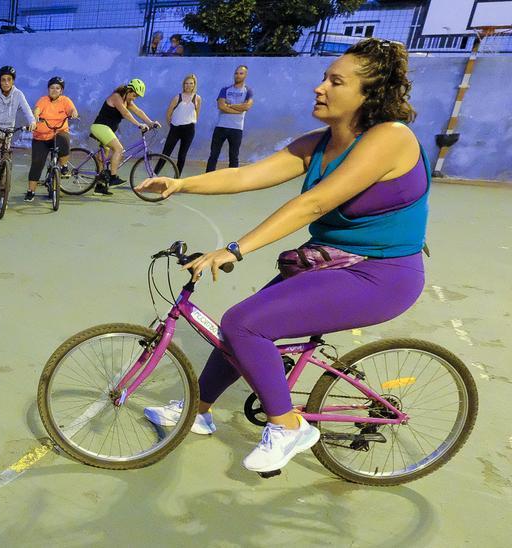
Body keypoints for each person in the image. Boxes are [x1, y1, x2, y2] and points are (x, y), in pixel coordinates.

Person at [136, 38, 429, 473]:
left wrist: (235, 248)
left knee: (244, 323)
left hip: (381, 275)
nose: (319, 87)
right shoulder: (318, 142)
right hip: (327, 260)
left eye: (335, 81)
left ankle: (289, 425)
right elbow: (246, 175)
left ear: (369, 93)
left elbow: (313, 205)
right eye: (323, 77)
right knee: (239, 326)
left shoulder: (390, 138)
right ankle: (197, 410)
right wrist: (181, 184)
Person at [89, 78, 159, 195]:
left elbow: (139, 111)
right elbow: (125, 113)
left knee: (102, 158)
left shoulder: (128, 101)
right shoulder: (117, 96)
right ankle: (113, 177)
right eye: (134, 95)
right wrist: (139, 125)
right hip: (100, 127)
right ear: (128, 90)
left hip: (107, 130)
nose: (134, 98)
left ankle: (99, 186)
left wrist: (150, 122)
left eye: (136, 97)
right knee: (119, 149)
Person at [25, 76, 77, 202]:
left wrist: (73, 113)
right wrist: (36, 115)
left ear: (61, 91)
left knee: (64, 139)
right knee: (37, 163)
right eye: (52, 88)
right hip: (41, 137)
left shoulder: (65, 100)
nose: (54, 90)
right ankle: (31, 191)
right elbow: (37, 109)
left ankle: (64, 166)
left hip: (57, 133)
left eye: (58, 88)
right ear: (48, 89)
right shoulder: (43, 100)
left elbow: (71, 109)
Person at [206, 65, 254, 172]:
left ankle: (232, 182)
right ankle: (207, 178)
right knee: (213, 155)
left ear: (245, 75)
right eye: (236, 73)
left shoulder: (248, 91)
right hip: (221, 127)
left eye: (241, 73)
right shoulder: (225, 89)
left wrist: (230, 105)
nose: (238, 75)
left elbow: (246, 107)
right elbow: (221, 106)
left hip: (236, 129)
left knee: (233, 157)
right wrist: (238, 108)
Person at [157, 74, 200, 175]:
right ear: (183, 85)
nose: (188, 86)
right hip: (175, 129)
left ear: (194, 85)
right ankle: (154, 174)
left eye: (191, 83)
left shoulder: (197, 98)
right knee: (166, 153)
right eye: (186, 83)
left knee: (182, 155)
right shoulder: (177, 97)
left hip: (189, 130)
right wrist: (172, 125)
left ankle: (177, 177)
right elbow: (168, 113)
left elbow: (196, 113)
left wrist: (191, 123)